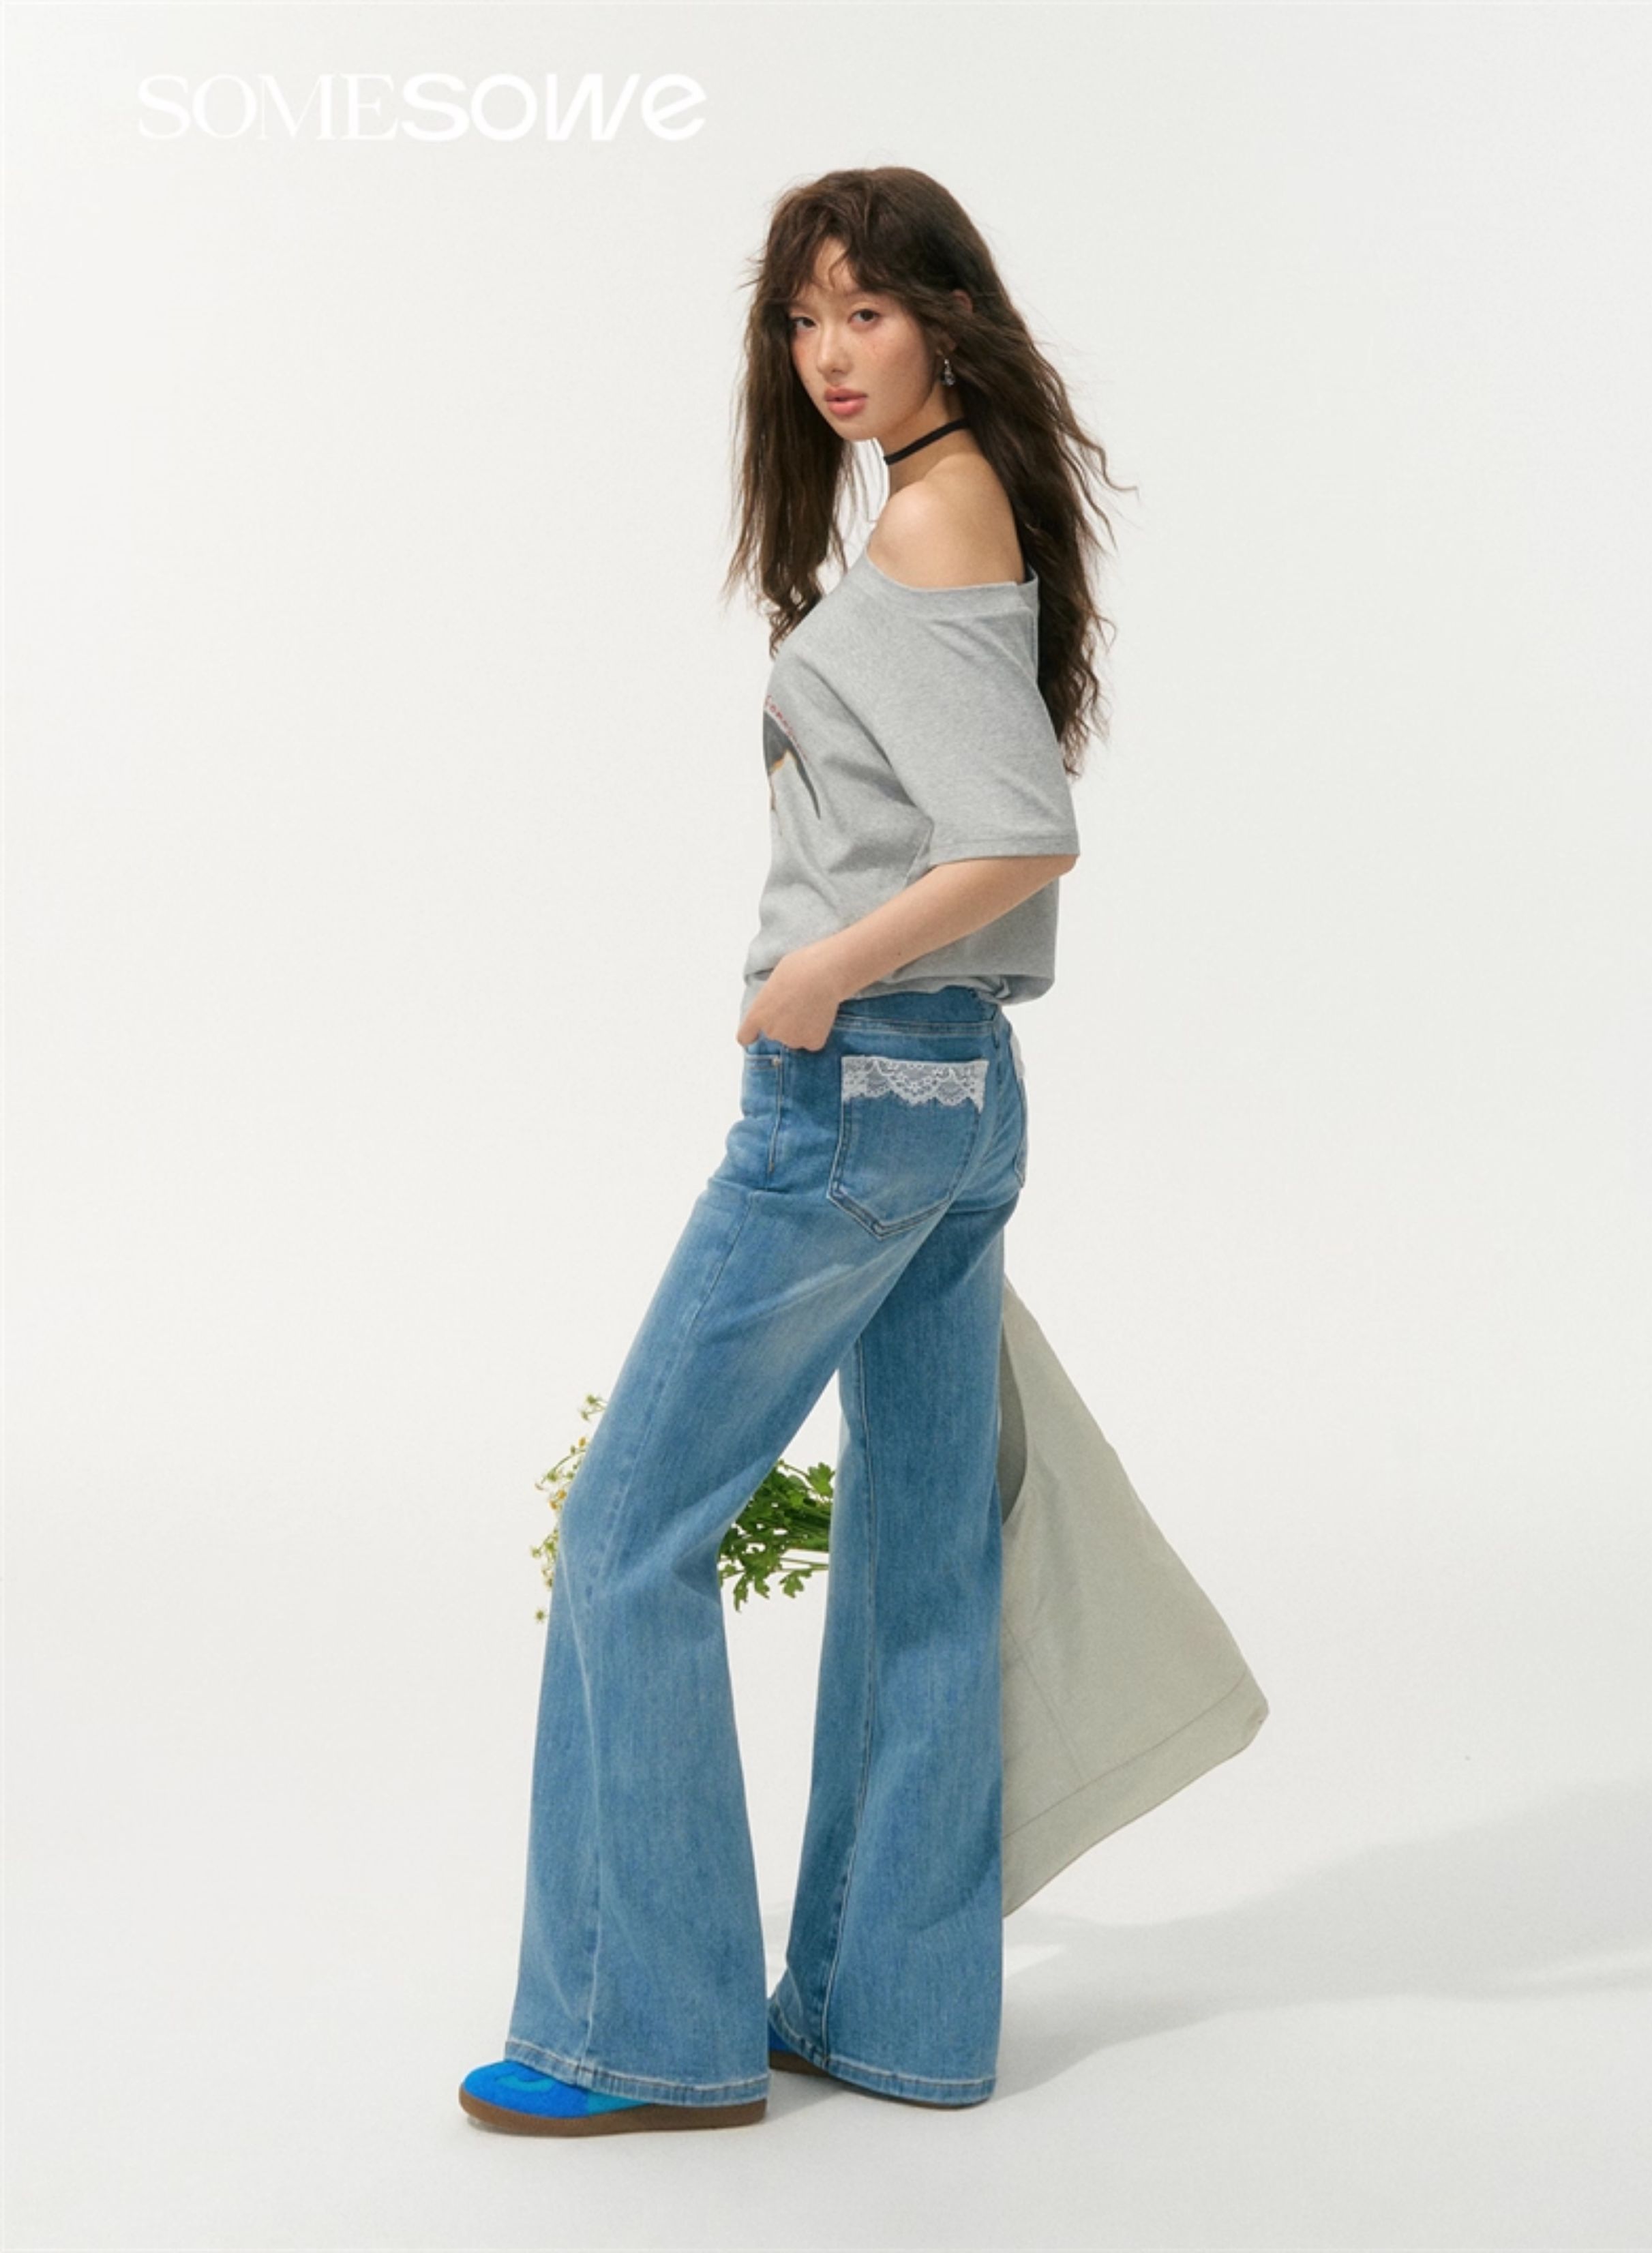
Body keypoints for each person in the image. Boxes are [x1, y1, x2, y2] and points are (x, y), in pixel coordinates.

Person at [460, 165, 1128, 2137]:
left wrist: (818, 974)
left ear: (946, 319)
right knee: (917, 1550)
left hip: (858, 1097)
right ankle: (893, 2016)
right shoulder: (962, 495)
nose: (832, 354)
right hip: (962, 1097)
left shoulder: (929, 515)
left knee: (629, 1532)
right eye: (802, 318)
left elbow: (1021, 834)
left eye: (867, 312)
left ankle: (642, 2034)